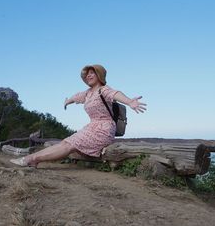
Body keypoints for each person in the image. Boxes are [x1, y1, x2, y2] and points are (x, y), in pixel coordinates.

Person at [10, 64, 147, 168]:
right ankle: (33, 159)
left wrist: (129, 101)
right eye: (87, 74)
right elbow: (76, 97)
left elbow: (115, 93)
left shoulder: (103, 90)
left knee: (69, 145)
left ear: (99, 75)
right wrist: (67, 102)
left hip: (103, 129)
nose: (88, 76)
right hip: (91, 127)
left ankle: (31, 160)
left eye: (92, 73)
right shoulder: (87, 93)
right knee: (65, 142)